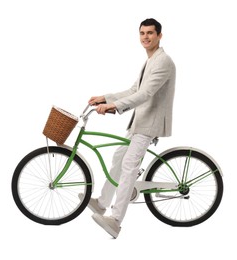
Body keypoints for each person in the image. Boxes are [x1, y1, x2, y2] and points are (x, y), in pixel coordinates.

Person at [87, 18, 176, 238]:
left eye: (150, 33)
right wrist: (105, 98)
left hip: (150, 123)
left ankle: (115, 221)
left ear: (159, 36)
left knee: (128, 166)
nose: (145, 37)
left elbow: (145, 95)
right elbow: (134, 89)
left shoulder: (163, 61)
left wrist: (113, 106)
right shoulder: (150, 60)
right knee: (118, 157)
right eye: (142, 33)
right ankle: (102, 203)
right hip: (139, 121)